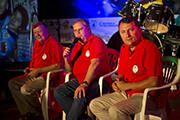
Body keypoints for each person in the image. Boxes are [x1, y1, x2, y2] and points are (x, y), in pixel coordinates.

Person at [89, 17, 163, 120]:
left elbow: (154, 81)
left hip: (146, 96)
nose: (127, 35)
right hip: (126, 93)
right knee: (94, 105)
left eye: (131, 30)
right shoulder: (124, 48)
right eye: (123, 32)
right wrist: (117, 82)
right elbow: (122, 74)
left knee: (115, 110)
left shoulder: (149, 48)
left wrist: (127, 85)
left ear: (140, 31)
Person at [54, 19, 111, 120]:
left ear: (88, 29)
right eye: (75, 31)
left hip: (97, 81)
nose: (77, 33)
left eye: (80, 29)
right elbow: (69, 71)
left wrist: (84, 84)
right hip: (80, 80)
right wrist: (66, 59)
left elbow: (95, 64)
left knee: (79, 95)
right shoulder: (76, 45)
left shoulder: (96, 41)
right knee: (59, 92)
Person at [8, 22, 64, 120]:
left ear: (46, 31)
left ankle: (36, 113)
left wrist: (38, 70)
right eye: (35, 33)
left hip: (48, 77)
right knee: (13, 83)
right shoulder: (37, 44)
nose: (37, 35)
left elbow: (58, 65)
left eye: (40, 32)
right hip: (37, 74)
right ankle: (28, 113)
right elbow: (35, 63)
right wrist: (30, 69)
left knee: (25, 89)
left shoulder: (53, 43)